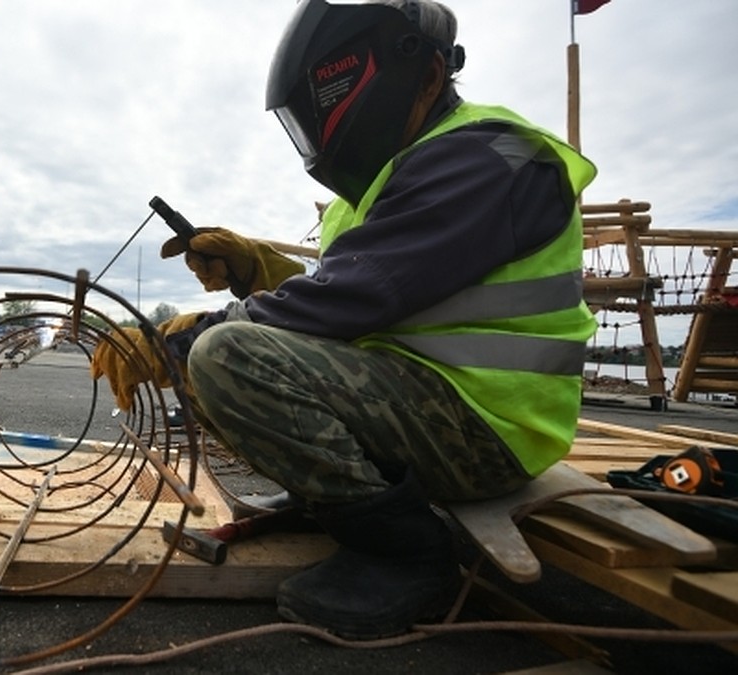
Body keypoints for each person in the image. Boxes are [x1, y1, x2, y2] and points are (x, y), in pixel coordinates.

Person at [91, 0, 598, 640]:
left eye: (328, 101)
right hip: (428, 405)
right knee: (228, 349)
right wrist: (255, 271)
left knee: (222, 356)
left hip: (487, 429)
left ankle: (403, 552)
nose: (324, 125)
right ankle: (336, 503)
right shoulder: (391, 181)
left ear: (426, 76)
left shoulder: (484, 157)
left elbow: (355, 298)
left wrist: (182, 338)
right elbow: (351, 296)